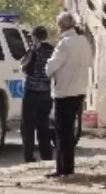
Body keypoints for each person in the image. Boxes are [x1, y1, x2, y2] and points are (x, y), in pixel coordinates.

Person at [45, 12, 92, 179]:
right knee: (70, 131)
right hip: (79, 91)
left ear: (61, 27)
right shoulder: (83, 41)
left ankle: (62, 169)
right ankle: (69, 168)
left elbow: (50, 68)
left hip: (64, 92)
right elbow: (89, 63)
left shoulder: (64, 44)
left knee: (61, 133)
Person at [20, 26, 55, 164]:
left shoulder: (34, 50)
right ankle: (46, 155)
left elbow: (24, 66)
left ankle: (29, 155)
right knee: (43, 126)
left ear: (35, 37)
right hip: (46, 93)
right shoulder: (53, 50)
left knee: (28, 127)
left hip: (32, 92)